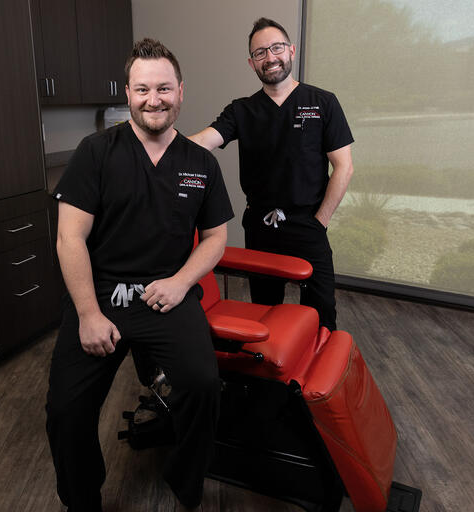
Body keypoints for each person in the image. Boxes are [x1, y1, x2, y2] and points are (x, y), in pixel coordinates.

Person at [46, 38, 234, 512]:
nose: (154, 99)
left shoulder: (200, 163)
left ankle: (184, 481)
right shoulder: (95, 152)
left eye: (164, 88)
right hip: (101, 295)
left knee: (202, 385)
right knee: (66, 410)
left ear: (181, 91)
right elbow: (69, 238)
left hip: (167, 294)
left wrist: (182, 282)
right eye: (143, 89)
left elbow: (215, 237)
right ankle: (82, 500)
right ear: (128, 93)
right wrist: (88, 314)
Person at [189, 17, 354, 331]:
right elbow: (204, 141)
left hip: (309, 224)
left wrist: (320, 221)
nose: (270, 57)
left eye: (277, 48)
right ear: (251, 63)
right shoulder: (241, 110)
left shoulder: (322, 102)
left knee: (322, 314)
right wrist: (158, 144)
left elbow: (344, 166)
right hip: (261, 227)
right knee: (266, 312)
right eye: (260, 52)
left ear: (291, 50)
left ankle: (315, 361)